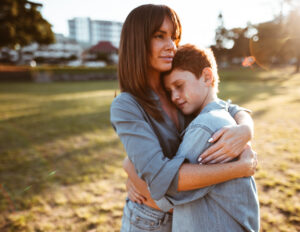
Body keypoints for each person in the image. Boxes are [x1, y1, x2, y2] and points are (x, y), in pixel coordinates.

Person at [110, 4, 257, 232]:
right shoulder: (127, 105)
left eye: (174, 37)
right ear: (137, 41)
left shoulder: (174, 90)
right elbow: (160, 177)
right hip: (149, 221)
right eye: (160, 36)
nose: (171, 46)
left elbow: (225, 107)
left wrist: (246, 129)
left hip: (191, 218)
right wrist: (241, 167)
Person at [159, 44, 259, 231]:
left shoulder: (204, 128)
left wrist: (130, 169)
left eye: (179, 86)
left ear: (207, 77)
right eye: (169, 91)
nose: (174, 97)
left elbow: (167, 189)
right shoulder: (222, 116)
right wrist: (246, 126)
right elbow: (230, 106)